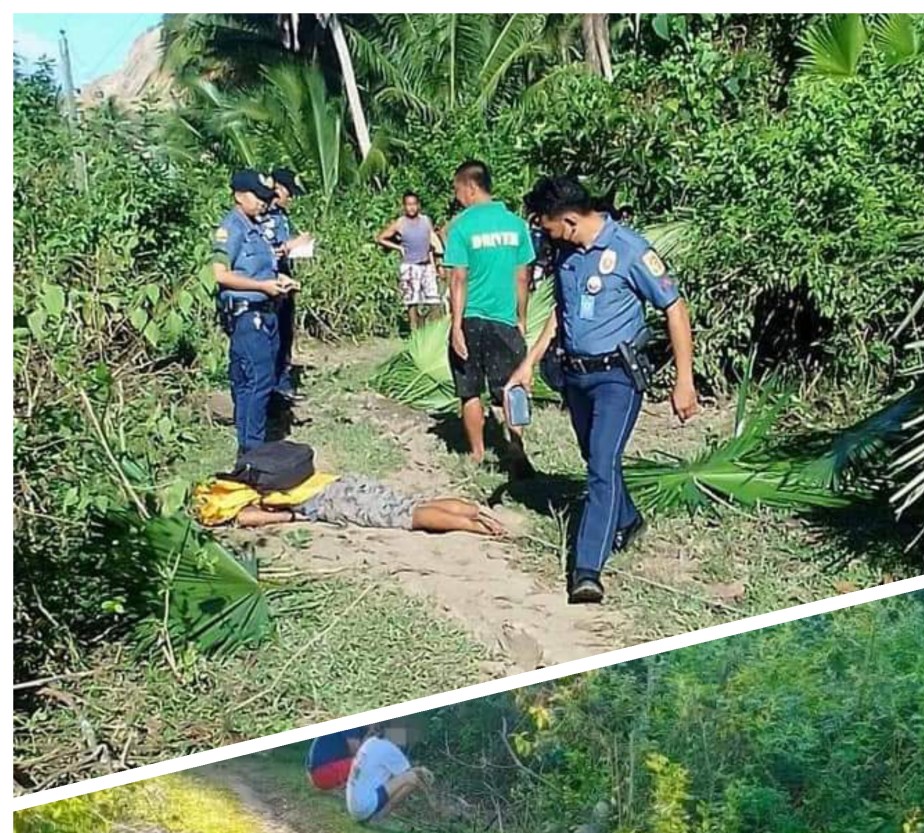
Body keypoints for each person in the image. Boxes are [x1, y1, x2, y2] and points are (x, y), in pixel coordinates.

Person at [509, 175, 699, 605]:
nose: (544, 234)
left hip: (618, 377)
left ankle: (587, 569)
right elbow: (562, 312)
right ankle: (628, 520)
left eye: (547, 226)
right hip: (575, 376)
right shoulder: (567, 253)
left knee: (600, 465)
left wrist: (684, 380)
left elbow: (674, 307)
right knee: (595, 457)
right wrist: (528, 363)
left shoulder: (630, 250)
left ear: (571, 220)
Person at [443, 160, 535, 471]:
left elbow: (458, 278)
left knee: (470, 390)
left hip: (470, 319)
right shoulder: (516, 225)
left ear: (470, 187)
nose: (458, 197)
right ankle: (515, 447)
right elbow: (522, 278)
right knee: (513, 387)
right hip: (504, 319)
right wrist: (521, 318)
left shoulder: (461, 227)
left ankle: (478, 453)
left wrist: (455, 326)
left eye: (457, 190)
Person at [211, 169, 298, 454]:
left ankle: (253, 446)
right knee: (256, 381)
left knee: (261, 380)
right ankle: (252, 451)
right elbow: (220, 274)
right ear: (239, 196)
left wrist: (280, 281)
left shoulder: (257, 227)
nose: (263, 202)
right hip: (248, 315)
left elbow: (264, 266)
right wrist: (261, 286)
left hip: (267, 310)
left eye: (266, 197)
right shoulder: (232, 228)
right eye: (257, 196)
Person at [193, 464, 506, 537]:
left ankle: (475, 528)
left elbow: (251, 519)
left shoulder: (222, 506)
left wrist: (294, 518)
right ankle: (477, 511)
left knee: (408, 517)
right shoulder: (237, 479)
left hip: (331, 500)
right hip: (336, 481)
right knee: (410, 502)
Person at [261, 166, 313, 398]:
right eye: (288, 192)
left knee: (285, 332)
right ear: (277, 189)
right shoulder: (261, 216)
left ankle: (282, 381)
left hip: (286, 279)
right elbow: (267, 249)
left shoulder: (282, 216)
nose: (290, 198)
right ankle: (272, 385)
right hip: (267, 282)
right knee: (271, 336)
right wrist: (292, 245)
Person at [376, 190, 445, 330]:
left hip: (426, 265)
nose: (411, 207)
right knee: (412, 302)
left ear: (418, 205)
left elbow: (431, 242)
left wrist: (436, 265)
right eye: (408, 205)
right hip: (409, 266)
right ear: (404, 206)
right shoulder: (400, 223)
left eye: (414, 204)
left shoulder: (426, 221)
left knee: (434, 300)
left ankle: (432, 331)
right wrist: (398, 248)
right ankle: (415, 331)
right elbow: (380, 238)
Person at [346, 732, 436, 824]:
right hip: (364, 808)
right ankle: (378, 818)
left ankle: (373, 816)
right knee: (413, 778)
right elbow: (409, 773)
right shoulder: (390, 748)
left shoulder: (370, 742)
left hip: (353, 807)